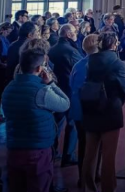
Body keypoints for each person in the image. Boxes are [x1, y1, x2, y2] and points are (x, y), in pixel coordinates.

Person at [2, 47, 70, 192]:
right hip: (37, 148)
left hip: (14, 146)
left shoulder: (9, 87)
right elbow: (65, 104)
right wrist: (50, 83)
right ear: (40, 68)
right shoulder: (41, 91)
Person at [81, 32, 125, 192]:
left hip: (91, 106)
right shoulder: (117, 63)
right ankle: (108, 188)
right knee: (109, 155)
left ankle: (88, 186)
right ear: (114, 44)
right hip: (110, 109)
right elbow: (124, 89)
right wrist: (118, 102)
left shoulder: (90, 61)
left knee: (90, 152)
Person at [48, 24, 82, 167]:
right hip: (69, 90)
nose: (76, 33)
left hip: (56, 88)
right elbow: (81, 66)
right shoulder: (71, 50)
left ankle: (52, 150)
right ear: (68, 34)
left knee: (57, 121)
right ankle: (68, 155)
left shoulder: (53, 48)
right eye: (74, 31)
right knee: (72, 123)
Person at [69, 33, 99, 185]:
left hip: (78, 110)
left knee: (83, 143)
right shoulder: (95, 65)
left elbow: (72, 85)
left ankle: (85, 175)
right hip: (89, 111)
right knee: (92, 144)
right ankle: (89, 176)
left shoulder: (78, 64)